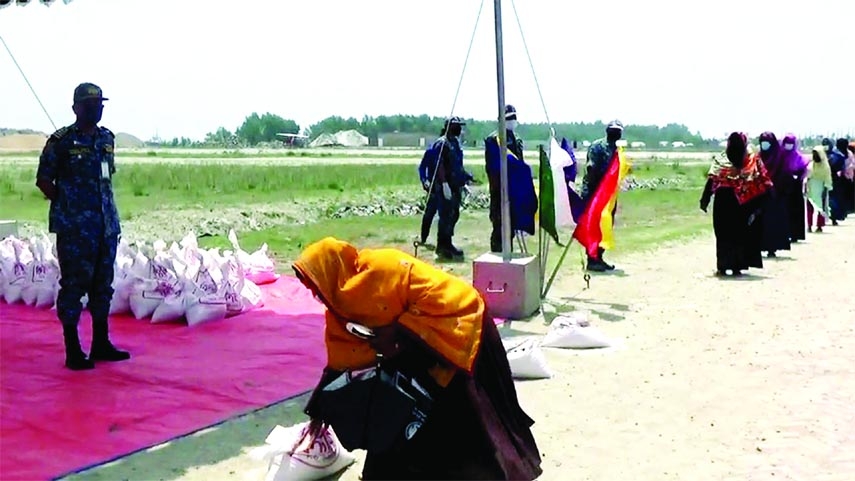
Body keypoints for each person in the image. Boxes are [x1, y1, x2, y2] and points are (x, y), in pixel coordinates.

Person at [292, 237, 543, 480]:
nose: (315, 293)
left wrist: (398, 331)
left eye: (315, 284)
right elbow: (342, 355)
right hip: (417, 343)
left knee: (465, 411)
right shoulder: (339, 304)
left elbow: (439, 297)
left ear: (330, 271)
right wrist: (319, 409)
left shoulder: (382, 269)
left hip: (458, 325)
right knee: (399, 409)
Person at [35, 83, 130, 370]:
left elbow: (105, 180)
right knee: (74, 287)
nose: (97, 108)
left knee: (103, 286)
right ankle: (73, 348)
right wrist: (67, 207)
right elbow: (43, 180)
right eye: (90, 104)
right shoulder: (62, 141)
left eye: (100, 104)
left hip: (104, 226)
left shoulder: (106, 139)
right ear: (76, 108)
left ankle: (100, 342)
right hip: (75, 230)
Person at [699, 132, 772, 276]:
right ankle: (737, 265)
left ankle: (724, 266)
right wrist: (761, 202)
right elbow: (764, 182)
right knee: (738, 234)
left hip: (724, 202)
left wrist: (705, 199)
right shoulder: (751, 160)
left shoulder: (721, 159)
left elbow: (711, 181)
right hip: (742, 203)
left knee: (724, 234)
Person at [484, 104, 537, 253]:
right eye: (508, 118)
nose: (512, 121)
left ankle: (509, 256)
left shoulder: (516, 139)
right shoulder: (494, 139)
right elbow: (494, 167)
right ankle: (498, 257)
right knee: (500, 226)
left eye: (514, 117)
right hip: (500, 189)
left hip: (515, 192)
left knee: (511, 227)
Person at [581, 119, 623, 271]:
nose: (616, 133)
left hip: (608, 195)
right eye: (613, 130)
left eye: (619, 130)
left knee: (605, 226)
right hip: (595, 193)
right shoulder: (597, 146)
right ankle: (592, 259)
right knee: (593, 226)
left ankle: (599, 256)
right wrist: (596, 192)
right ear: (607, 131)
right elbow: (591, 169)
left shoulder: (615, 150)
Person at [430, 117, 471, 260]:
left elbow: (458, 166)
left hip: (455, 186)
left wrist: (465, 180)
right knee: (445, 217)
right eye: (457, 126)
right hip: (445, 186)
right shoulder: (442, 143)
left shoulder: (455, 143)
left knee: (453, 216)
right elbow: (438, 164)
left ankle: (448, 243)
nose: (460, 129)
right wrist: (444, 183)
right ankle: (442, 247)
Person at [756, 132, 791, 257]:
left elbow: (785, 174)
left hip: (776, 195)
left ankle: (772, 247)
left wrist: (776, 188)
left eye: (767, 141)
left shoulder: (779, 157)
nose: (764, 144)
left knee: (773, 222)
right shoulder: (758, 157)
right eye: (762, 141)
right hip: (760, 194)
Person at [778, 134, 809, 243]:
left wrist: (800, 177)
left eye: (791, 143)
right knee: (784, 210)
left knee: (796, 210)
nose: (788, 145)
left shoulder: (800, 158)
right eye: (787, 143)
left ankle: (796, 234)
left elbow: (805, 169)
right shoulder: (779, 157)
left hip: (796, 187)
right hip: (784, 187)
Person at [417, 142, 440, 246]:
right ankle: (423, 238)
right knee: (429, 214)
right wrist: (424, 180)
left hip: (450, 187)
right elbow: (422, 167)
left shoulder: (454, 148)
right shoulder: (431, 151)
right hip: (434, 187)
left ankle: (444, 242)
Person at [805, 146, 833, 233]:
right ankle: (809, 225)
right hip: (811, 188)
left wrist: (826, 189)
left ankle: (819, 225)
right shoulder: (810, 165)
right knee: (810, 208)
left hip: (821, 188)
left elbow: (827, 179)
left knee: (821, 208)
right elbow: (807, 177)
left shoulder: (825, 167)